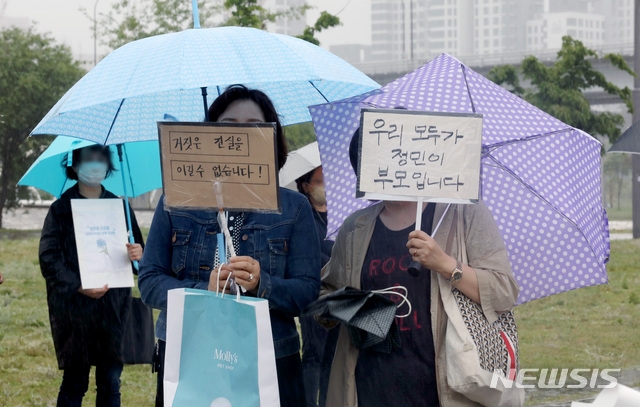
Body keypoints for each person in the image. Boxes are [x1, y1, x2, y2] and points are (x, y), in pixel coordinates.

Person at [139, 84, 322, 407]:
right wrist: (203, 290)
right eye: (228, 127)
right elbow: (150, 281)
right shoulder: (176, 202)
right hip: (190, 356)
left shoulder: (294, 207)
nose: (240, 138)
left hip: (270, 360)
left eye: (253, 127)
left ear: (270, 138)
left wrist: (261, 284)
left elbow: (307, 291)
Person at [319, 131, 520, 407]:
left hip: (446, 391)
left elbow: (503, 291)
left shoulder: (462, 213)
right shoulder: (355, 228)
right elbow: (327, 296)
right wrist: (353, 309)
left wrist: (446, 264)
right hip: (370, 388)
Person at [39, 145, 145, 407]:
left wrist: (138, 254)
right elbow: (49, 258)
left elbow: (140, 263)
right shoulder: (61, 210)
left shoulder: (120, 207)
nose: (95, 164)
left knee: (110, 383)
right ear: (74, 166)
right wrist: (78, 285)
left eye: (101, 158)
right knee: (75, 383)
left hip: (113, 307)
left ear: (109, 165)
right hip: (76, 311)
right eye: (88, 159)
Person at [296, 167, 337, 406]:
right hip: (313, 295)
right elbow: (309, 255)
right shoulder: (303, 215)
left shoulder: (338, 216)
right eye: (319, 181)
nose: (324, 186)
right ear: (306, 186)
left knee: (331, 353)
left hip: (337, 293)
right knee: (314, 352)